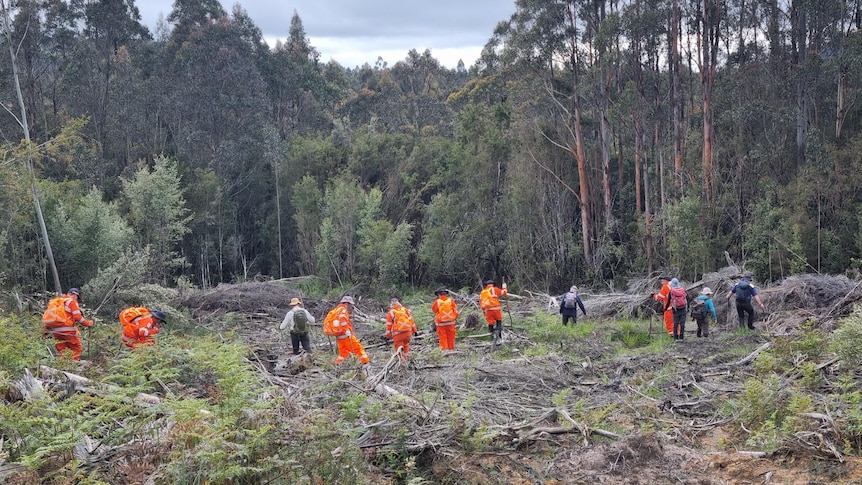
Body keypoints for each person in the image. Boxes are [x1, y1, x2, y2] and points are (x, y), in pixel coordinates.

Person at [42, 288, 93, 360]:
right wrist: (88, 323)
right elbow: (78, 317)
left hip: (56, 331)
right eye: (77, 297)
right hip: (68, 331)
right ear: (75, 295)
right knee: (76, 348)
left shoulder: (58, 302)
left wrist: (45, 331)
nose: (77, 299)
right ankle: (74, 367)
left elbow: (50, 318)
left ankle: (63, 367)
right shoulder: (72, 302)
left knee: (62, 351)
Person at [324, 295, 370, 371]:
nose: (351, 306)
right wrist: (347, 331)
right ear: (347, 303)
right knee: (358, 348)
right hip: (345, 335)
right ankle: (365, 363)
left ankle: (338, 365)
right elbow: (343, 320)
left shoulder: (337, 310)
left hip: (339, 336)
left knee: (343, 353)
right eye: (350, 304)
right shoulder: (343, 310)